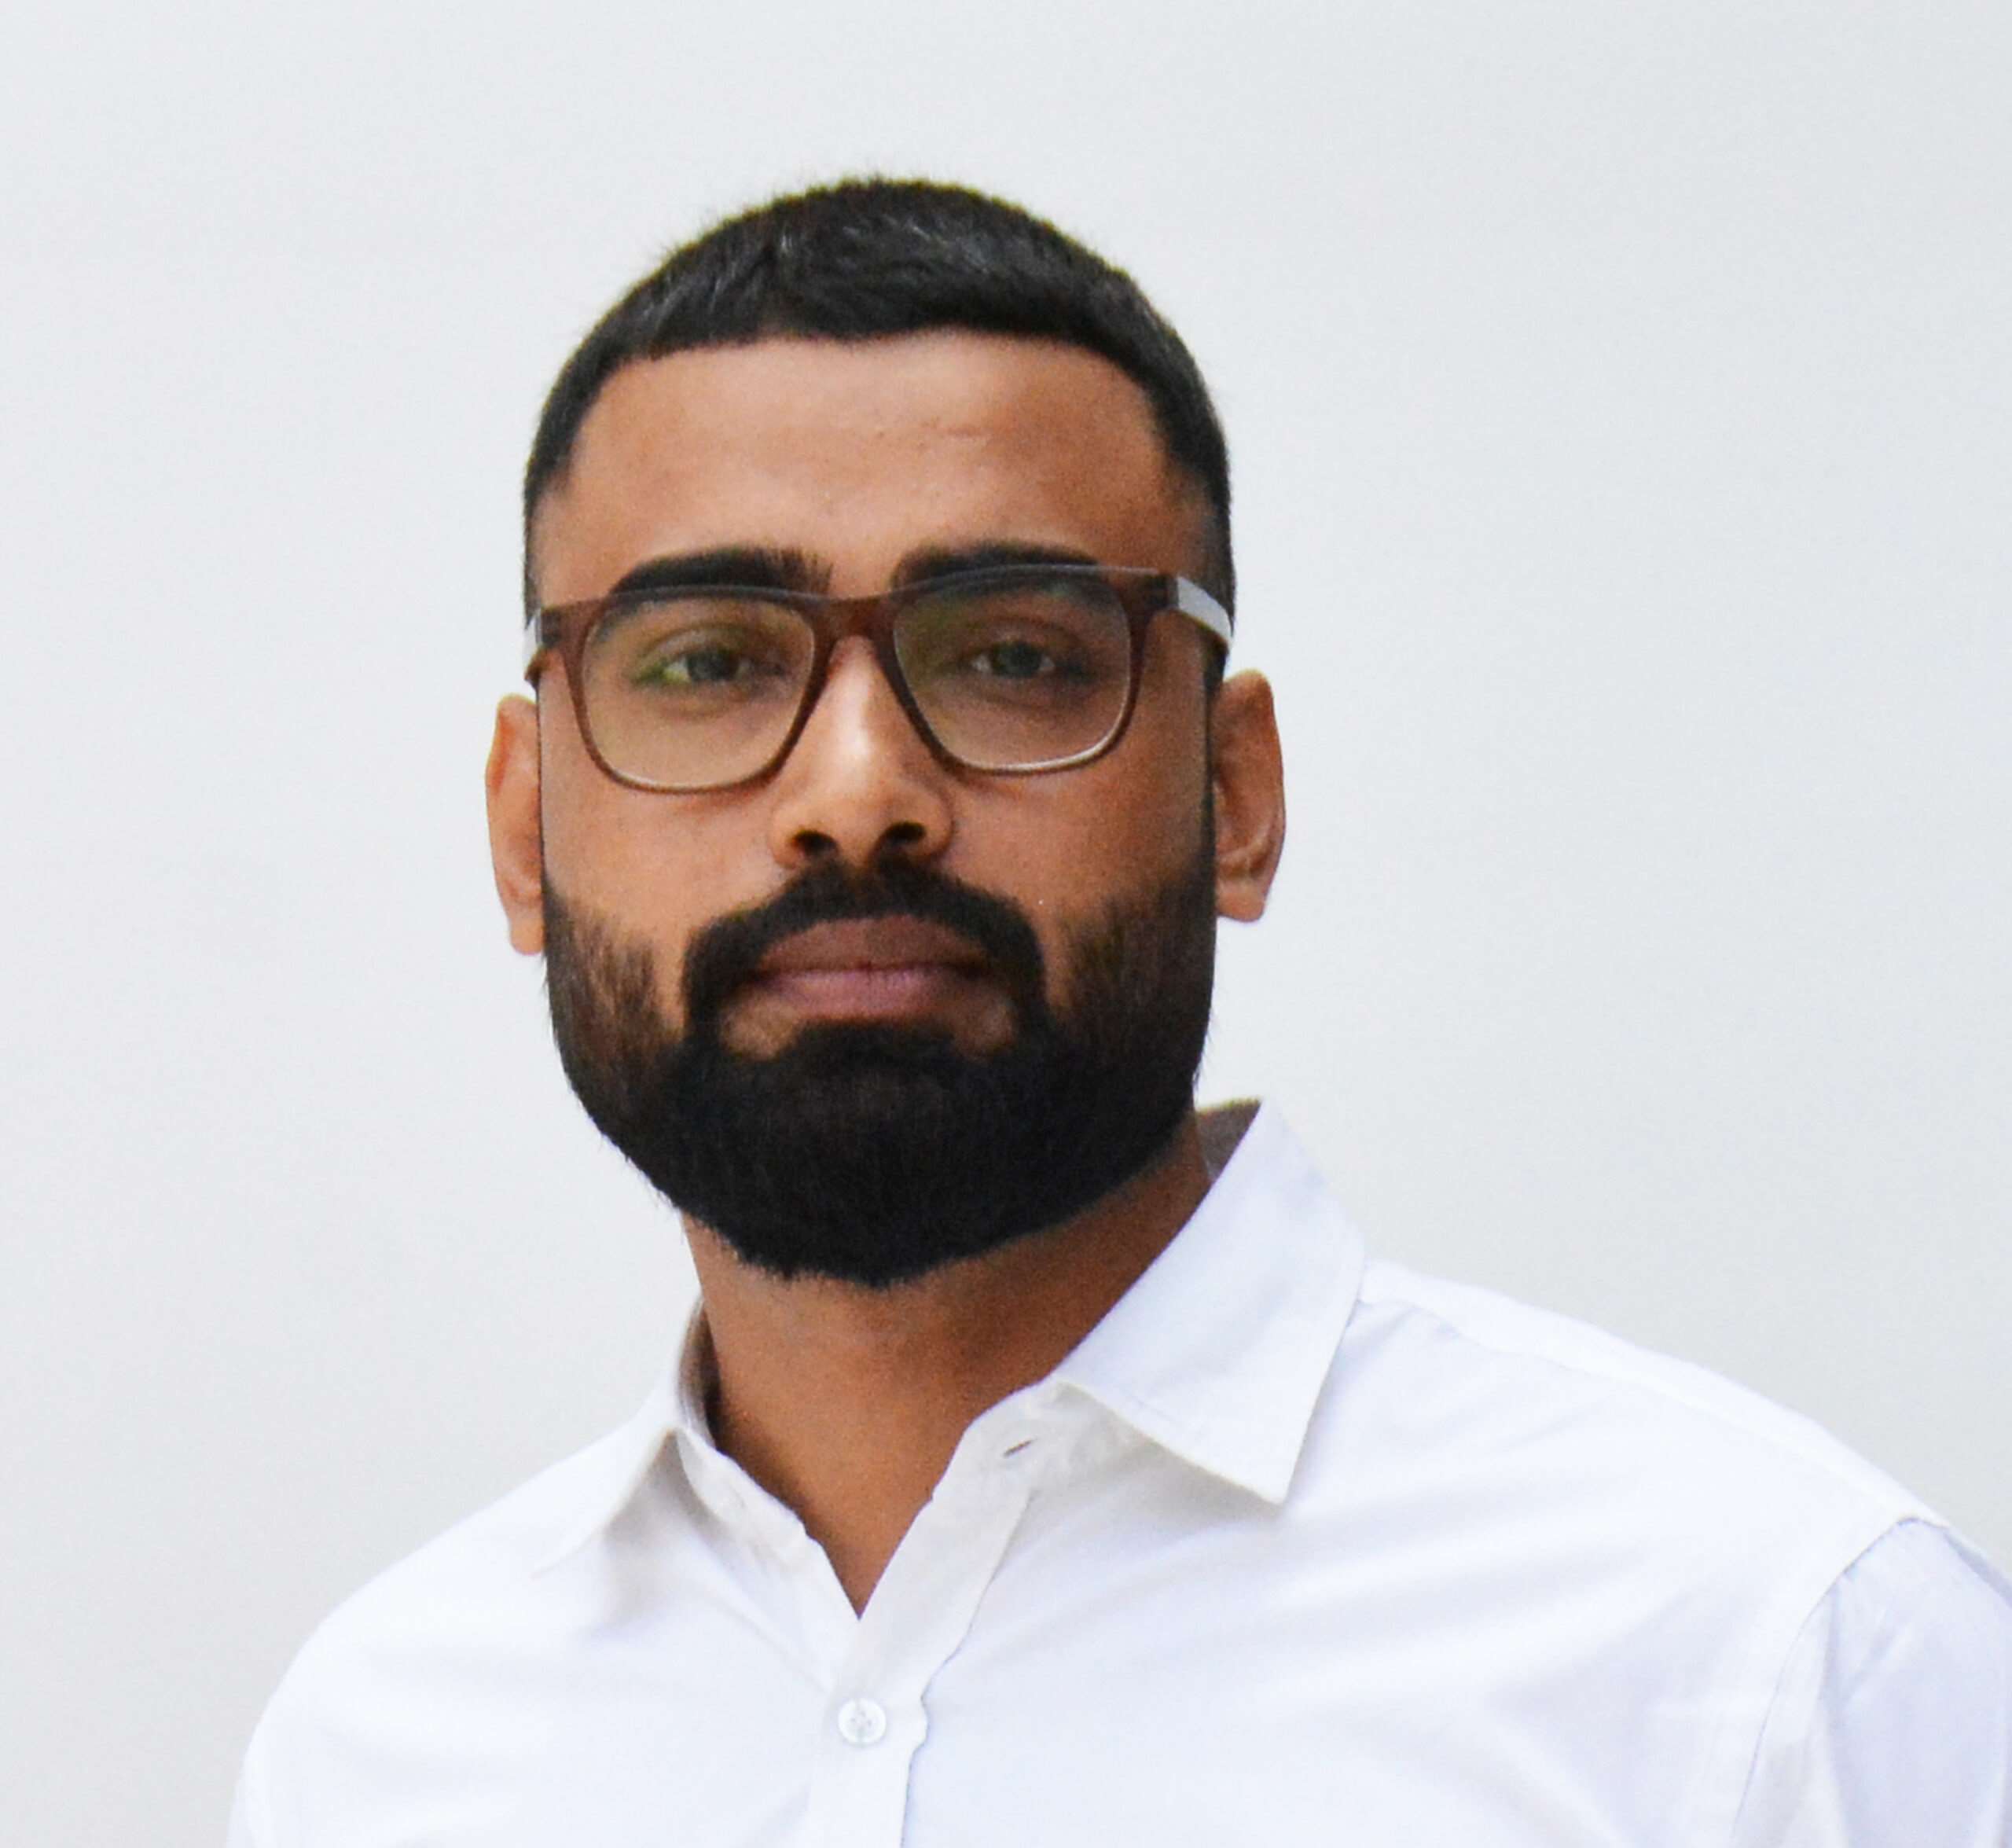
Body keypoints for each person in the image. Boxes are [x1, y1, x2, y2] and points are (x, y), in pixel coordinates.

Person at [228, 180, 2012, 1846]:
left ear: (1232, 795)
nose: (856, 793)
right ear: (524, 830)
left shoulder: (1768, 1666)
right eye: (706, 662)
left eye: (1016, 655)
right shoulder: (383, 1748)